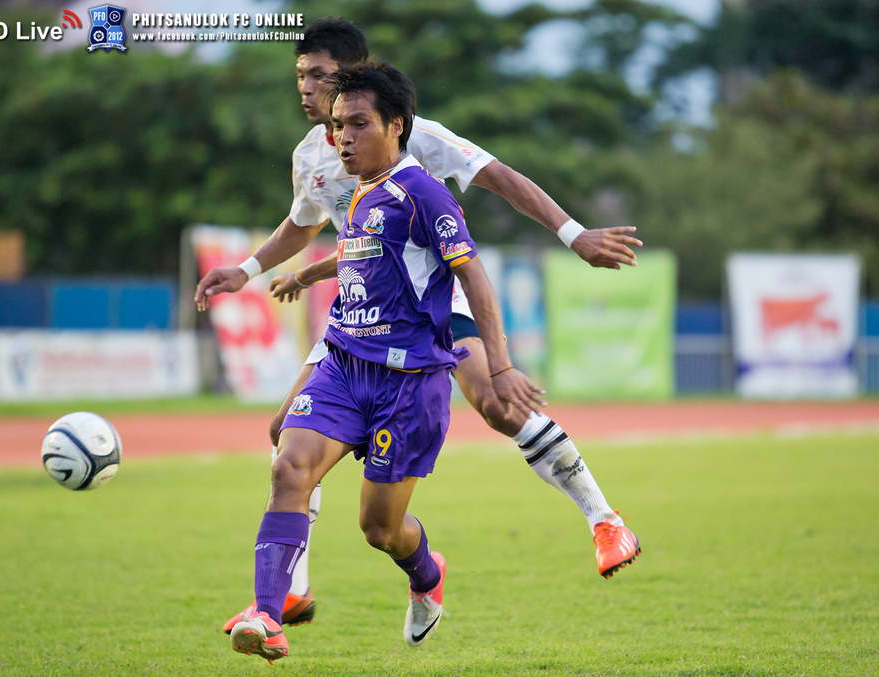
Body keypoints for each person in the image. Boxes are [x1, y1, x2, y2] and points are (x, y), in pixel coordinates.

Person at [199, 18, 643, 634]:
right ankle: (286, 594)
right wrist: (254, 270)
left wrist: (574, 235)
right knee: (284, 435)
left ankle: (603, 518)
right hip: (361, 313)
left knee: (496, 404)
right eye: (301, 76)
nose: (309, 89)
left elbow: (501, 180)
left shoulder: (415, 139)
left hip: (433, 299)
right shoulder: (313, 157)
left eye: (321, 77)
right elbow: (317, 228)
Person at [206, 58, 544, 663]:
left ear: (397, 126)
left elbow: (474, 277)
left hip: (409, 385)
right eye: (338, 125)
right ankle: (268, 613)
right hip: (343, 365)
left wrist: (499, 365)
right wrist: (304, 273)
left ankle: (427, 574)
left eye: (358, 124)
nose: (343, 137)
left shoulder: (425, 193)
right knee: (289, 467)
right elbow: (359, 251)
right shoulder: (359, 190)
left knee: (380, 529)